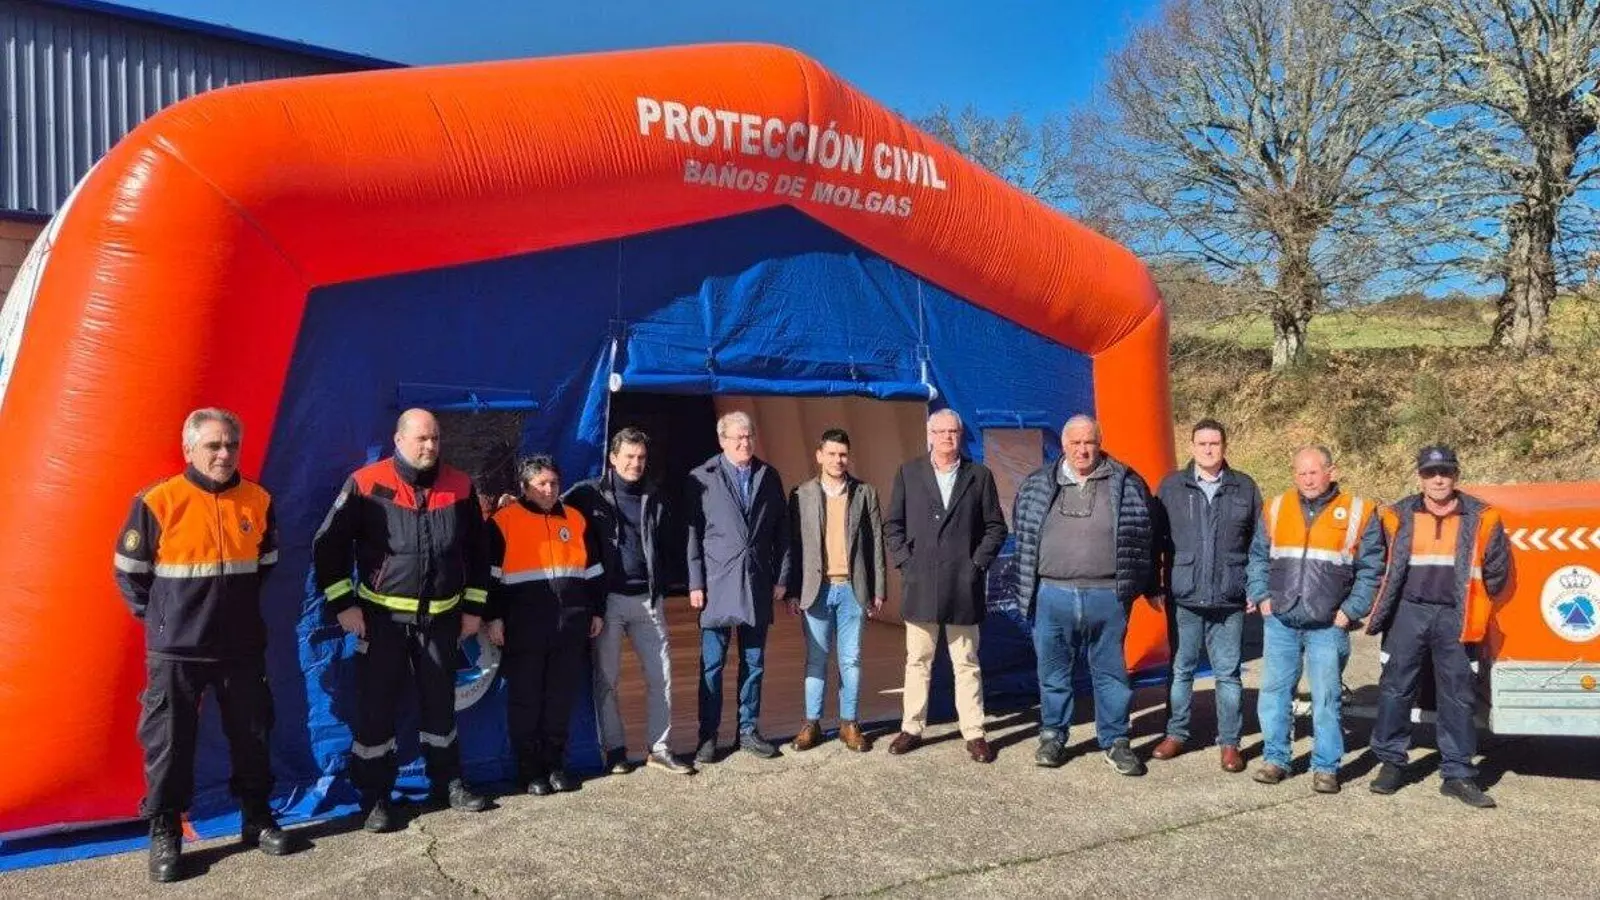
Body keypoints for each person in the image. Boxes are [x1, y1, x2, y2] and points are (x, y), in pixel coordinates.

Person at [114, 408, 299, 882]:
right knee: (169, 743)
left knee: (253, 734)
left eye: (231, 445)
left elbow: (265, 564)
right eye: (213, 445)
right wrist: (163, 620)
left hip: (240, 645)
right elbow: (130, 574)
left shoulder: (257, 499)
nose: (224, 454)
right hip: (177, 649)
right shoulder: (158, 501)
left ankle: (256, 818)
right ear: (189, 449)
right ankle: (165, 832)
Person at [312, 408, 492, 833]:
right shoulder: (366, 483)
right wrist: (343, 604)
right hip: (383, 622)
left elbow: (480, 552)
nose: (429, 446)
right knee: (376, 710)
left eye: (435, 438)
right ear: (398, 440)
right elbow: (328, 546)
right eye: (421, 439)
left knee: (441, 706)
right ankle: (374, 797)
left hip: (442, 621)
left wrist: (473, 608)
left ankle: (448, 784)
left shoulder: (460, 485)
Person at [1366, 446, 1512, 808]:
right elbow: (1377, 562)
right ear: (1420, 477)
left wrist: (1475, 602)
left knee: (1458, 695)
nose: (1438, 479)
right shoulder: (1396, 515)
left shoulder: (1483, 517)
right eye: (1430, 473)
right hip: (1408, 612)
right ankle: (1391, 763)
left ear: (1456, 475)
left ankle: (1458, 773)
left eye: (1445, 472)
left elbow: (1497, 570)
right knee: (1396, 688)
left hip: (1456, 616)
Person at [1013, 415, 1158, 776]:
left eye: (1089, 442)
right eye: (1075, 443)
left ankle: (1116, 741)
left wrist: (1150, 586)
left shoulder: (1127, 482)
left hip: (1107, 595)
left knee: (1111, 674)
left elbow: (1148, 536)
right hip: (1052, 594)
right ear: (1063, 445)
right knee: (1053, 672)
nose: (1082, 449)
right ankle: (1053, 736)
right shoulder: (1036, 484)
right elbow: (1023, 532)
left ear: (1099, 443)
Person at [1247, 445, 1384, 794]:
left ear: (1330, 472)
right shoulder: (1275, 507)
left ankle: (1325, 766)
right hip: (1281, 620)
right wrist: (1262, 596)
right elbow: (1258, 556)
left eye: (1314, 472)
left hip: (1328, 624)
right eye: (1301, 473)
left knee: (1326, 698)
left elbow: (1371, 569)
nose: (1307, 479)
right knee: (1274, 694)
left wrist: (1351, 611)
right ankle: (1276, 759)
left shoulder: (1359, 511)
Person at [565, 427, 695, 775]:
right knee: (607, 680)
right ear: (612, 458)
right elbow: (549, 511)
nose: (635, 464)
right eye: (629, 457)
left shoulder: (657, 496)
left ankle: (660, 748)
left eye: (641, 458)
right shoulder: (587, 495)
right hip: (607, 601)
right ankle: (615, 750)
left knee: (661, 677)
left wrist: (667, 582)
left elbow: (670, 544)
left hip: (648, 600)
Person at [883, 409, 1009, 763]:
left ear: (960, 435)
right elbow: (893, 525)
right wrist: (906, 563)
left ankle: (974, 732)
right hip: (921, 583)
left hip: (963, 585)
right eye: (940, 432)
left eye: (953, 431)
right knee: (917, 661)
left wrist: (976, 564)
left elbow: (996, 527)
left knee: (966, 663)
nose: (947, 437)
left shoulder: (979, 476)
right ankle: (911, 728)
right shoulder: (909, 473)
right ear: (929, 435)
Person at [485, 456, 605, 795]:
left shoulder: (576, 519)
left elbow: (593, 571)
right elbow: (489, 577)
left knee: (559, 699)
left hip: (570, 626)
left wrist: (596, 611)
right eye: (541, 484)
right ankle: (530, 771)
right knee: (526, 700)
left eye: (553, 483)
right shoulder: (504, 522)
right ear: (525, 487)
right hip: (524, 627)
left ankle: (555, 766)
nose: (549, 490)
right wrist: (493, 617)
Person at [1151, 419, 1262, 773]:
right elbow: (1155, 540)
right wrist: (1154, 584)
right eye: (1202, 443)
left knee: (1228, 674)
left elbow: (1259, 544)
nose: (1209, 449)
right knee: (1181, 669)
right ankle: (1176, 734)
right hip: (1184, 595)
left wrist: (1255, 587)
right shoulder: (1171, 487)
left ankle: (1229, 743)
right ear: (1192, 447)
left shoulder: (1244, 487)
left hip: (1229, 597)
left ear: (1224, 446)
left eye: (1215, 443)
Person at [684, 410, 792, 762]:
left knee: (754, 662)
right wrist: (695, 582)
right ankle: (707, 735)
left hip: (757, 581)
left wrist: (782, 577)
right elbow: (692, 534)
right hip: (716, 584)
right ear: (722, 441)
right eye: (738, 437)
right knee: (712, 665)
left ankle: (747, 731)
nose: (745, 443)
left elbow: (782, 531)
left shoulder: (768, 475)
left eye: (749, 437)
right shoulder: (701, 477)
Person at [786, 428, 888, 752]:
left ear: (849, 457)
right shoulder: (801, 494)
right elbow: (793, 547)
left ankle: (849, 723)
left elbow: (876, 544)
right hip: (815, 590)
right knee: (816, 659)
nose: (837, 460)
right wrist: (792, 590)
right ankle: (811, 723)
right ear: (819, 456)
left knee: (851, 659)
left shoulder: (865, 493)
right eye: (831, 453)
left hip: (852, 590)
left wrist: (878, 589)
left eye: (842, 454)